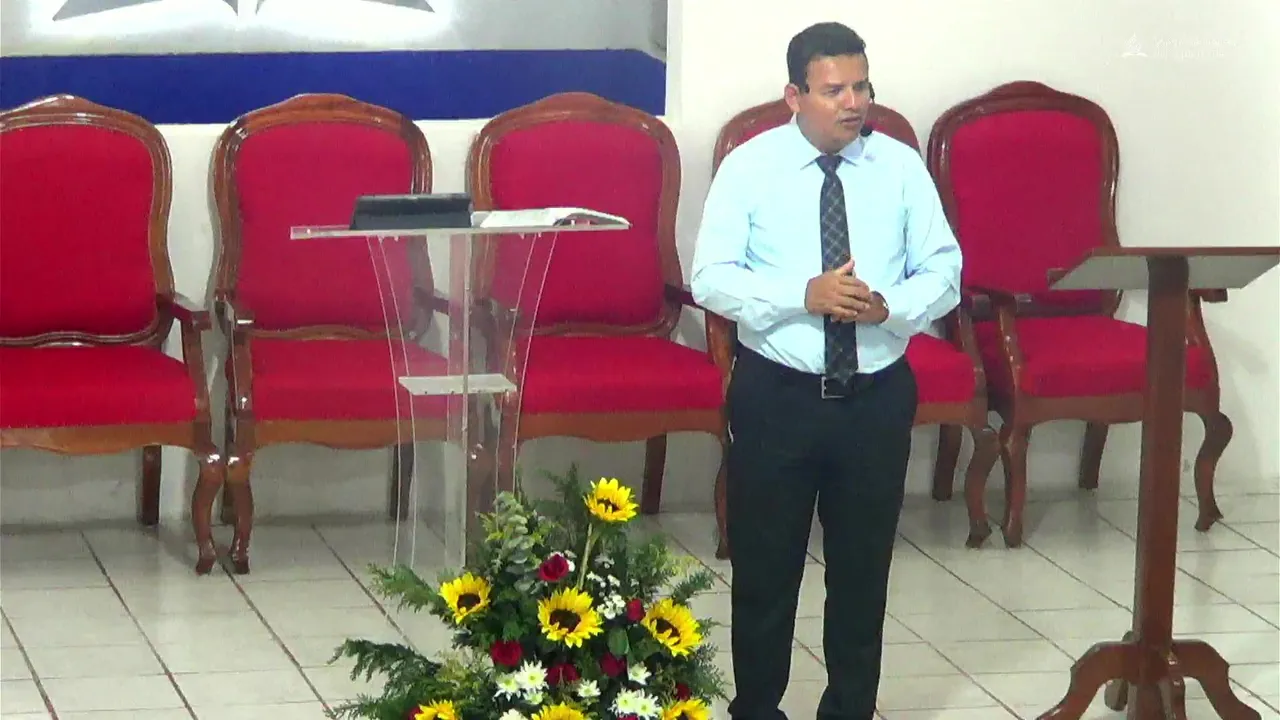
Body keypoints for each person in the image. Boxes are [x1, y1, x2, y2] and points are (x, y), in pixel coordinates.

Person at [689, 21, 963, 720]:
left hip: (875, 397)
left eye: (862, 87)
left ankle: (849, 710)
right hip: (778, 396)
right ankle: (758, 709)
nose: (854, 102)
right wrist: (801, 295)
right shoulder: (749, 167)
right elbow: (710, 278)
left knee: (862, 575)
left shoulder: (899, 167)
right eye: (835, 89)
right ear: (794, 96)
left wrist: (891, 307)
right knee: (765, 573)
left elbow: (945, 270)